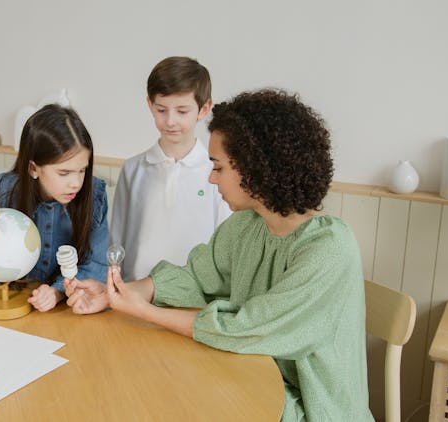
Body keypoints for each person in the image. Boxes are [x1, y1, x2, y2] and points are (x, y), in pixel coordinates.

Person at [66, 89, 374, 421]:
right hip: (247, 376)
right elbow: (196, 277)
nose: (211, 178)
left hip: (311, 409)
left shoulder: (329, 249)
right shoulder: (246, 226)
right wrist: (122, 293)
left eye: (219, 167)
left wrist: (145, 312)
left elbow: (247, 328)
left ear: (256, 170)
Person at [0, 104, 108, 312]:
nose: (76, 183)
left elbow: (97, 263)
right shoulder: (3, 194)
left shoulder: (94, 195)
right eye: (64, 173)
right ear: (34, 168)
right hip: (11, 306)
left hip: (66, 311)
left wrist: (57, 291)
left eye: (82, 170)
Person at [110, 56, 231, 281]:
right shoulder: (133, 169)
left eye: (182, 111)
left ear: (204, 109)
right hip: (135, 294)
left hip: (195, 295)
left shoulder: (216, 173)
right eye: (162, 110)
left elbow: (225, 243)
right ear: (150, 105)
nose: (170, 121)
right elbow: (117, 239)